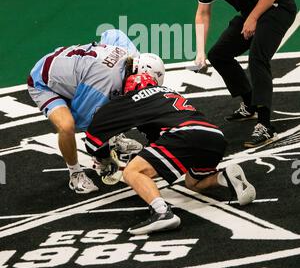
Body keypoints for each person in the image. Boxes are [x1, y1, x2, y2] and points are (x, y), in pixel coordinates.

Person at [85, 72, 256, 235]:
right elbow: (156, 142)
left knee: (133, 171)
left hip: (184, 135)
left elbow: (95, 133)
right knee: (194, 182)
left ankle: (161, 213)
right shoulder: (168, 93)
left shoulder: (132, 98)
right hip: (214, 136)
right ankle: (226, 177)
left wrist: (103, 156)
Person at [184, 0, 297, 148]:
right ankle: (250, 104)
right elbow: (203, 13)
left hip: (277, 7)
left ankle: (265, 126)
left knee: (257, 57)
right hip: (251, 12)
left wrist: (253, 18)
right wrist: (200, 51)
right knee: (219, 55)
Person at [27, 29, 165, 194]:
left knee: (118, 101)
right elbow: (89, 124)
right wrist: (104, 153)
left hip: (69, 65)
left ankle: (113, 138)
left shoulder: (133, 56)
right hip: (44, 82)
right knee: (67, 125)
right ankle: (75, 174)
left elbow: (112, 33)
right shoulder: (106, 81)